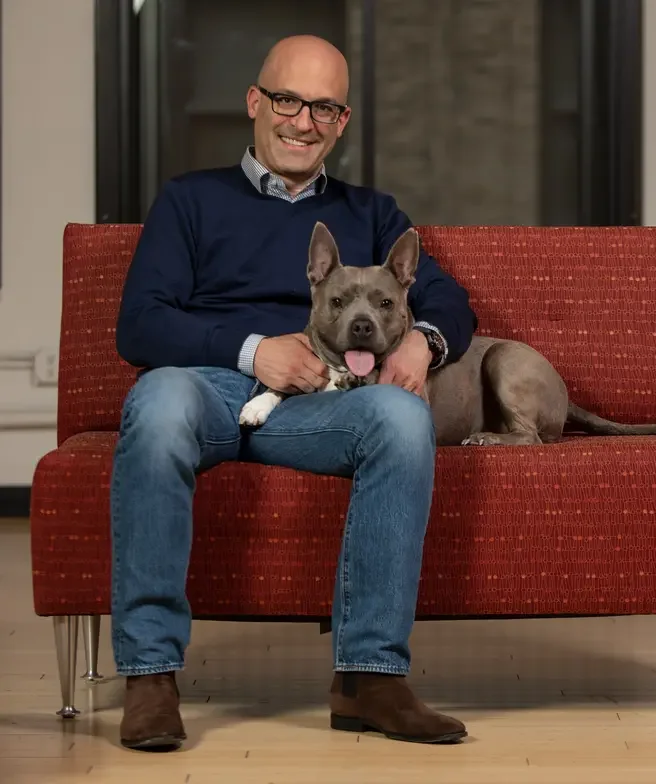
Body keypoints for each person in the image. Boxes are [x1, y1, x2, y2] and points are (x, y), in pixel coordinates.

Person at [112, 34, 477, 751]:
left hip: (322, 406)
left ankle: (370, 679)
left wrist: (420, 343)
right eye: (287, 101)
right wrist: (255, 351)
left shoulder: (372, 212)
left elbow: (449, 301)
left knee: (402, 419)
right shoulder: (190, 199)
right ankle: (150, 675)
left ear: (342, 122)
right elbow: (141, 324)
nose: (303, 122)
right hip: (210, 389)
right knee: (156, 405)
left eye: (324, 108)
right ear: (255, 102)